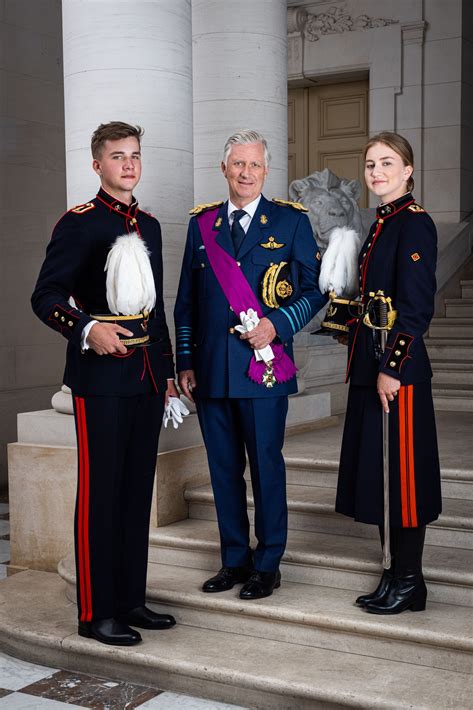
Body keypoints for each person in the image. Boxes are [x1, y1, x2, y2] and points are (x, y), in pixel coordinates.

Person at [32, 121, 179, 645]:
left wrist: (165, 373)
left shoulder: (152, 225)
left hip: (144, 379)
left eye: (135, 155)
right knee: (101, 493)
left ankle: (130, 600)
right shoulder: (80, 223)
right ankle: (96, 612)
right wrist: (87, 330)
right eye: (118, 157)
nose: (129, 165)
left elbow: (156, 309)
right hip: (99, 379)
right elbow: (45, 298)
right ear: (98, 165)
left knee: (137, 492)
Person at [174, 129, 326, 599]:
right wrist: (184, 360)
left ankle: (268, 563)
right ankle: (233, 560)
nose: (246, 172)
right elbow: (185, 302)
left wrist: (277, 325)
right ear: (224, 169)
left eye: (254, 165)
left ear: (266, 170)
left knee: (265, 466)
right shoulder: (202, 226)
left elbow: (315, 290)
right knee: (222, 469)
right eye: (238, 164)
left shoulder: (291, 222)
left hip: (263, 368)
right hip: (213, 370)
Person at [335, 131, 442, 614]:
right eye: (370, 164)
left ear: (408, 170)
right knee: (380, 474)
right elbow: (375, 302)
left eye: (387, 163)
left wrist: (392, 369)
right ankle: (392, 573)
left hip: (398, 371)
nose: (376, 171)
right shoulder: (380, 224)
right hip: (371, 362)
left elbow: (416, 310)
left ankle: (409, 579)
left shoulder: (414, 224)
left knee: (403, 477)